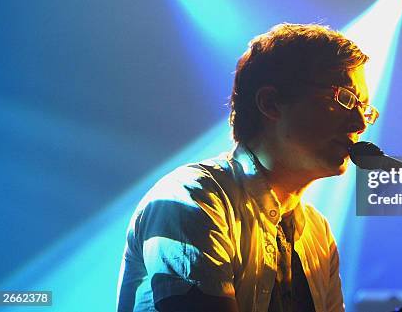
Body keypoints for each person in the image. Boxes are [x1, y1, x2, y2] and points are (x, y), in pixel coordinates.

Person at [116, 23, 379, 312]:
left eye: (364, 108)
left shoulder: (318, 231)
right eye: (344, 98)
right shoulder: (192, 198)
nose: (359, 124)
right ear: (271, 103)